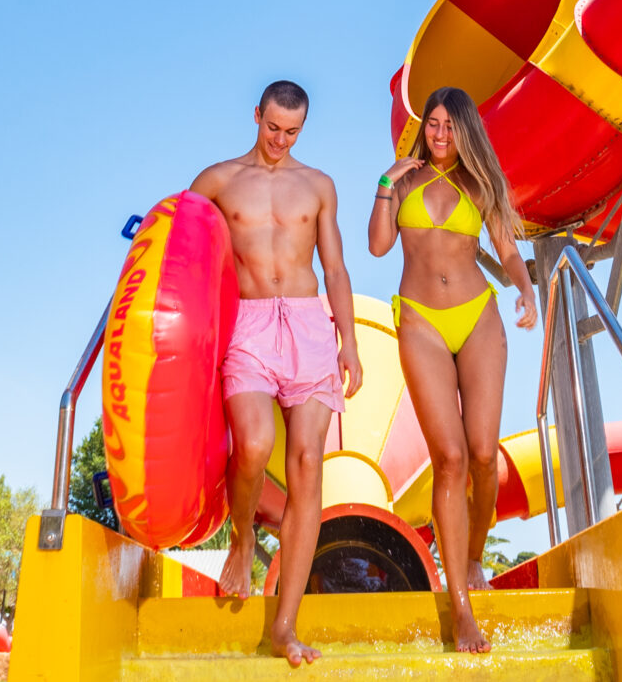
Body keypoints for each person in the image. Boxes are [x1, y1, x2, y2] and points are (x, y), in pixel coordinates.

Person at [188, 81, 361, 667]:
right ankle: (241, 536)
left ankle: (285, 626)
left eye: (293, 132)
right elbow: (188, 261)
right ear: (256, 114)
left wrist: (351, 342)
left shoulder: (318, 185)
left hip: (311, 325)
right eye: (273, 128)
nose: (281, 141)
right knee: (256, 444)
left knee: (308, 464)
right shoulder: (216, 181)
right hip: (250, 326)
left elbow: (334, 266)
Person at [367, 85, 537, 653]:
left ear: (465, 130)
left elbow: (507, 248)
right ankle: (461, 613)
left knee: (485, 454)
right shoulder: (406, 181)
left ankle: (471, 558)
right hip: (420, 322)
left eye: (449, 126)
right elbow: (377, 247)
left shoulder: (479, 183)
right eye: (432, 125)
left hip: (479, 316)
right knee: (451, 458)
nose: (439, 135)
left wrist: (527, 290)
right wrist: (386, 184)